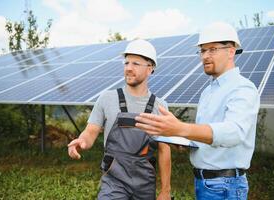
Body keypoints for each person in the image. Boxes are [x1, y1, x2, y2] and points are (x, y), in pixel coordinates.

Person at [135, 22, 260, 200]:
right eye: (202, 50)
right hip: (204, 183)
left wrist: (181, 129)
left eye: (212, 49)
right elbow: (207, 134)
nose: (205, 56)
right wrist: (185, 139)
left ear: (231, 51)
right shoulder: (208, 91)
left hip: (225, 186)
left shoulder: (243, 88)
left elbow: (234, 132)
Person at [68, 39, 171, 200]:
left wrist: (165, 191)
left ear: (150, 68)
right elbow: (91, 131)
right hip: (114, 180)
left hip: (145, 183)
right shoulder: (107, 98)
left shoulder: (160, 106)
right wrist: (82, 142)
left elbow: (164, 150)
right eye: (126, 63)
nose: (129, 68)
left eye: (136, 63)